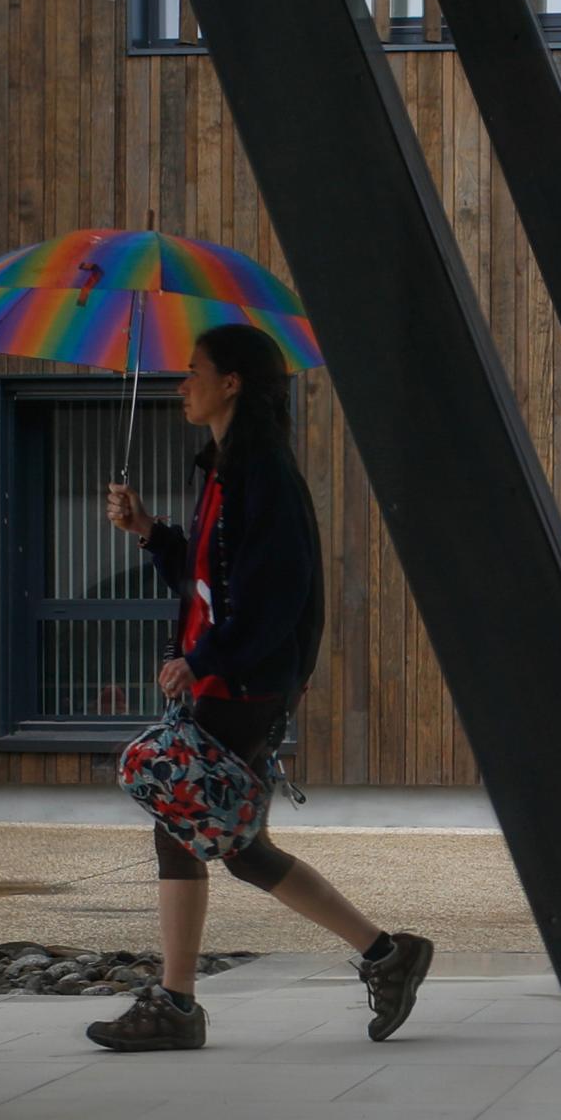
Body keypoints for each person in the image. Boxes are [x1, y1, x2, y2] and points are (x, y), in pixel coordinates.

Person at [87, 323, 434, 1051]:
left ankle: (177, 1004)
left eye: (193, 371)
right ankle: (386, 953)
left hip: (241, 681)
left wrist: (203, 655)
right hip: (232, 674)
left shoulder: (264, 473)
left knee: (183, 821)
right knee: (236, 843)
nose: (182, 384)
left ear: (232, 382)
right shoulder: (223, 467)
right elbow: (213, 577)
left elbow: (272, 596)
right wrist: (149, 529)